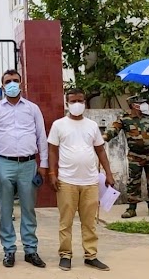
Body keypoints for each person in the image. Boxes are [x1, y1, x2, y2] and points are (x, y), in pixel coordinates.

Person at [47, 88, 115, 272]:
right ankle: (65, 255)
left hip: (91, 181)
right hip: (66, 180)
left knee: (90, 221)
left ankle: (91, 255)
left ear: (84, 102)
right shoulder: (59, 125)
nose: (77, 104)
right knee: (66, 221)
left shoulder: (91, 126)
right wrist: (52, 174)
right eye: (73, 100)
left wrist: (109, 173)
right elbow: (52, 151)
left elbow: (100, 150)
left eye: (80, 100)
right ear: (67, 103)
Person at [0, 69, 48, 268]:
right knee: (5, 209)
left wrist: (44, 164)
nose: (12, 83)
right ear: (2, 85)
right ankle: (9, 250)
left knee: (28, 209)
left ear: (21, 83)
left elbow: (41, 137)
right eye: (8, 81)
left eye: (15, 80)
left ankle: (31, 250)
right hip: (4, 163)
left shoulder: (32, 108)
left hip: (29, 163)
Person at [103, 95, 149, 218]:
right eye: (141, 103)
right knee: (133, 182)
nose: (144, 105)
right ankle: (131, 208)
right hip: (135, 156)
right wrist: (104, 138)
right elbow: (113, 129)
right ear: (133, 105)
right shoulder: (124, 119)